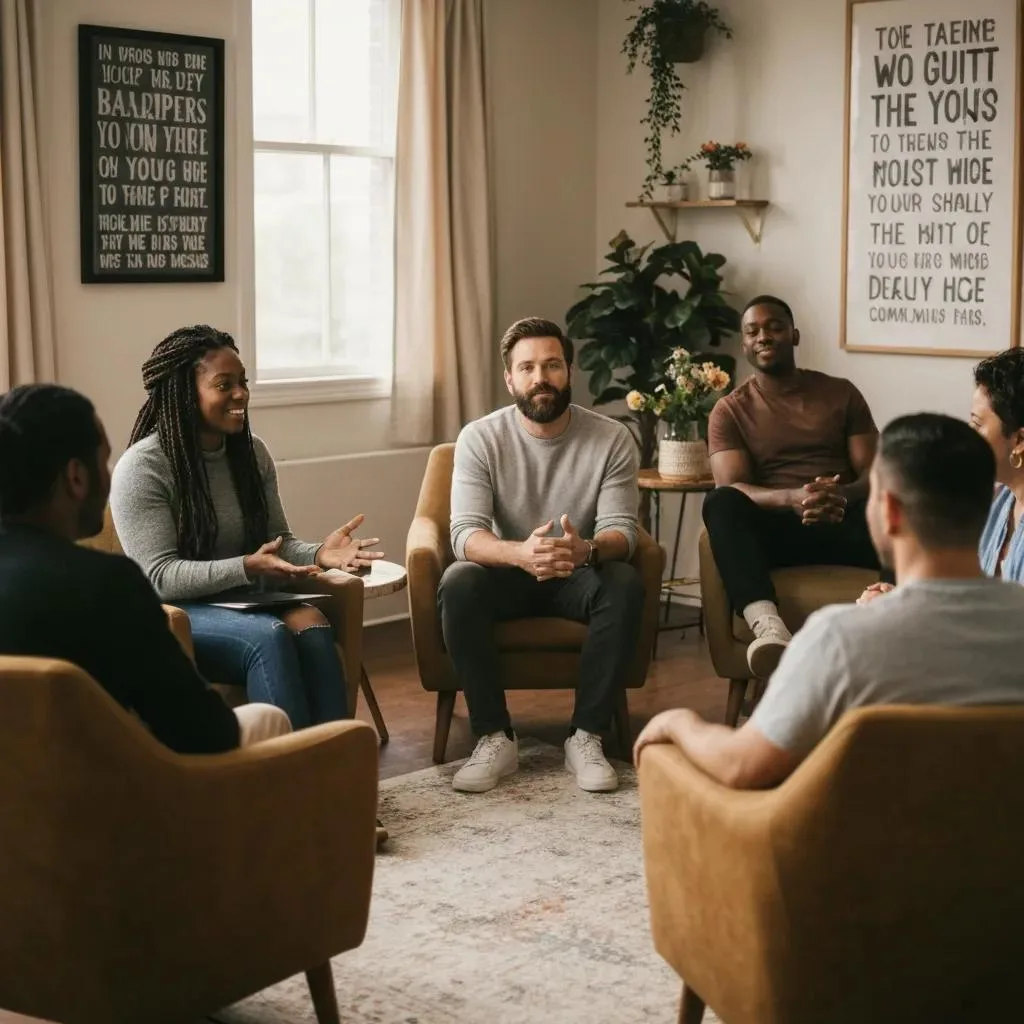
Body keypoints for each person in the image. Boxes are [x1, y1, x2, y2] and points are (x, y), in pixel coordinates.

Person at [635, 413, 1024, 788]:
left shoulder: (838, 639)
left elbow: (741, 766)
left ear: (889, 512)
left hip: (882, 847)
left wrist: (678, 723)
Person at [110, 325, 384, 731]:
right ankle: (281, 780)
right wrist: (245, 567)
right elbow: (158, 577)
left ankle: (334, 769)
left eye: (242, 382)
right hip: (173, 613)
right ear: (186, 393)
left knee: (311, 623)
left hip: (241, 602)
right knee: (268, 637)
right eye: (225, 384)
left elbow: (276, 543)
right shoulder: (144, 468)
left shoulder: (251, 453)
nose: (240, 394)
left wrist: (320, 554)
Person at [0, 383, 291, 753]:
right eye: (103, 461)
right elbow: (202, 730)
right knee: (269, 719)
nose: (109, 478)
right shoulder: (107, 586)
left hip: (15, 796)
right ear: (76, 476)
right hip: (106, 792)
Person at [440, 317, 645, 794]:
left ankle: (586, 736)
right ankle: (495, 736)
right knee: (458, 581)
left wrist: (587, 549)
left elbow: (623, 532)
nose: (541, 378)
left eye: (552, 365)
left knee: (624, 583)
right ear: (509, 379)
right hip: (509, 573)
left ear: (569, 372)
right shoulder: (480, 438)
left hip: (577, 572)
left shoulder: (612, 438)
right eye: (527, 367)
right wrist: (518, 553)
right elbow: (464, 534)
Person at [702, 294, 885, 679]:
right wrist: (792, 498)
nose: (764, 336)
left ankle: (893, 620)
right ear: (745, 344)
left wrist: (842, 495)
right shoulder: (730, 410)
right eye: (753, 331)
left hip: (844, 518)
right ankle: (769, 628)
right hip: (777, 531)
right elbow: (732, 486)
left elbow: (873, 473)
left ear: (795, 335)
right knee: (720, 503)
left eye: (774, 327)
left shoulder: (841, 393)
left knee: (903, 500)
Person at [860, 348, 1024, 605]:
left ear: (1020, 440)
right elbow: (973, 605)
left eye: (977, 424)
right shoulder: (999, 502)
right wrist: (904, 603)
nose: (969, 435)